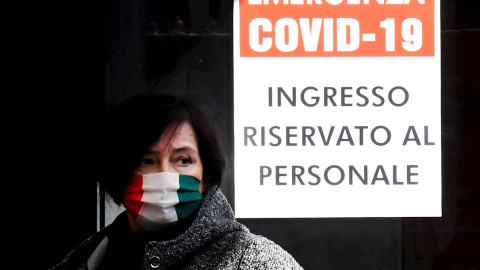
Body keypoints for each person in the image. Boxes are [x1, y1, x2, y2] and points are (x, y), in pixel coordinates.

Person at [50, 93, 303, 270]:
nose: (166, 174)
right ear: (117, 173)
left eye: (183, 160)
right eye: (146, 161)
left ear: (205, 175)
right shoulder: (83, 261)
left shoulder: (254, 260)